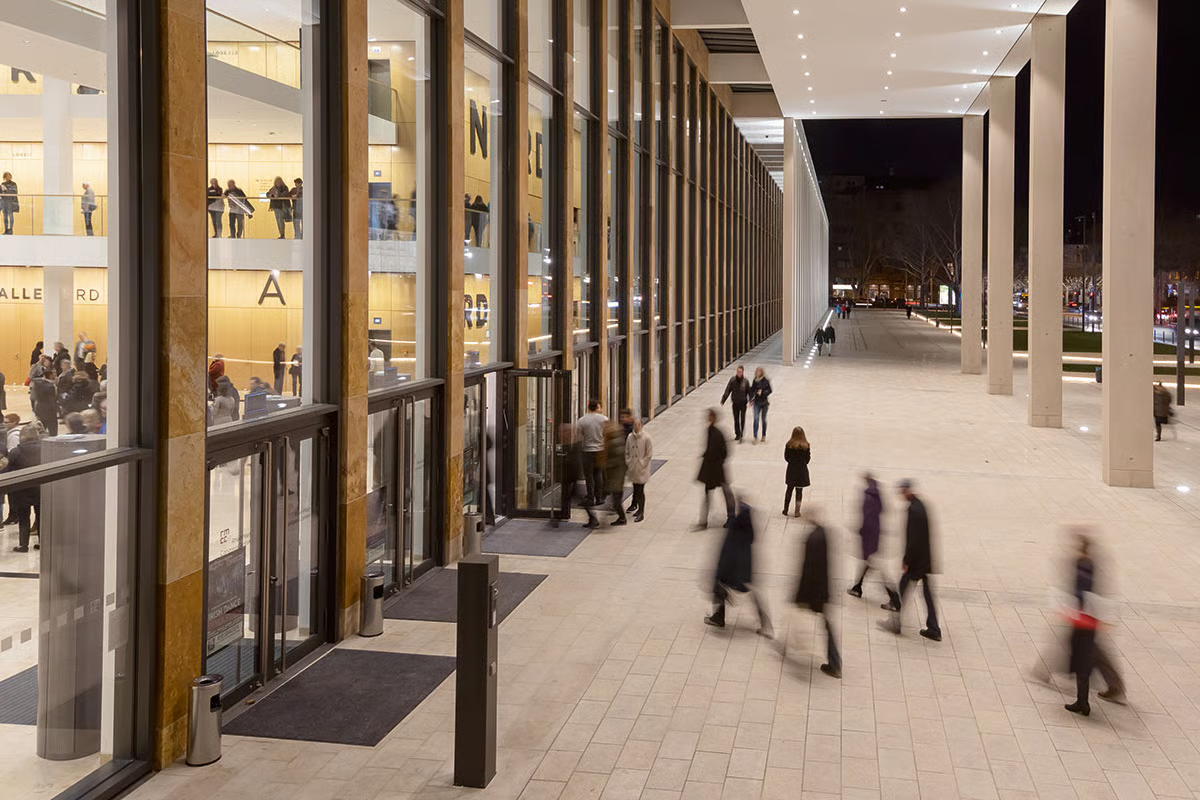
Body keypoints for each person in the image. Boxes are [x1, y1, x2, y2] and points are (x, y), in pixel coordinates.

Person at [881, 479, 942, 642]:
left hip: (916, 562)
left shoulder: (913, 509)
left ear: (907, 491)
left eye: (902, 492)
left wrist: (907, 560)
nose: (900, 495)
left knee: (901, 590)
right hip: (925, 560)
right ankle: (934, 628)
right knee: (928, 594)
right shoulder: (921, 505)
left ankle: (896, 624)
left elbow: (913, 539)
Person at [705, 496, 772, 637]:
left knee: (719, 587)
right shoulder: (747, 530)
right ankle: (765, 623)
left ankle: (718, 618)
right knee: (751, 593)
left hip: (731, 570)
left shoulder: (735, 530)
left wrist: (720, 570)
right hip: (744, 570)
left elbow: (727, 552)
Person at [794, 517, 841, 678]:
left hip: (815, 593)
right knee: (827, 625)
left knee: (820, 624)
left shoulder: (813, 540)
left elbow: (809, 570)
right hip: (823, 590)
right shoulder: (823, 534)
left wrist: (800, 595)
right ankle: (835, 663)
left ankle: (835, 664)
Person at [1, 425, 42, 552]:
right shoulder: (44, 449)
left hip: (20, 490)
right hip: (40, 488)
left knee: (24, 518)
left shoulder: (15, 452)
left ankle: (23, 545)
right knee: (40, 517)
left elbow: (8, 470)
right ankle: (42, 542)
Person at [554, 423, 598, 529]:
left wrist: (569, 476)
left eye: (562, 432)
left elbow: (575, 463)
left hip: (570, 477)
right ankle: (558, 516)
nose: (560, 434)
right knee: (567, 498)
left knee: (573, 497)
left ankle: (593, 518)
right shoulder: (569, 444)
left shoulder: (575, 446)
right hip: (569, 477)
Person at [696, 409, 735, 529]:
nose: (707, 418)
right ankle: (704, 521)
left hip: (717, 468)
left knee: (726, 492)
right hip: (710, 468)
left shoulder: (718, 433)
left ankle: (731, 517)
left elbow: (725, 451)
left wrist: (718, 461)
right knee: (708, 494)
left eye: (710, 416)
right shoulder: (709, 430)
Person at [847, 473, 883, 599]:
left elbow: (867, 517)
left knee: (872, 564)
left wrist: (861, 530)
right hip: (876, 533)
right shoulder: (879, 494)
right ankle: (857, 587)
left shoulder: (868, 497)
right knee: (869, 562)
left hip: (869, 535)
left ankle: (893, 595)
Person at [577, 400, 608, 507]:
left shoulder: (582, 420)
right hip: (600, 450)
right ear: (597, 407)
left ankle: (590, 498)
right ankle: (599, 497)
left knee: (588, 476)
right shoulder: (604, 419)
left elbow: (578, 435)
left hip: (587, 451)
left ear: (588, 407)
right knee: (598, 474)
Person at [625, 418, 653, 523]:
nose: (636, 426)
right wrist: (629, 462)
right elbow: (627, 451)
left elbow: (649, 454)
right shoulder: (629, 437)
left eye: (638, 425)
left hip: (642, 470)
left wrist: (642, 464)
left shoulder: (647, 438)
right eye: (634, 425)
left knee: (640, 490)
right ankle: (635, 506)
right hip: (633, 468)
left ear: (641, 425)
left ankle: (641, 511)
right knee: (636, 488)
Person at [603, 421, 628, 526]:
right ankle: (620, 516)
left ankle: (622, 518)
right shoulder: (617, 440)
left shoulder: (614, 442)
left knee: (616, 498)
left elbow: (616, 460)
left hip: (616, 475)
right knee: (616, 497)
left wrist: (607, 464)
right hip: (617, 475)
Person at [783, 426, 812, 517]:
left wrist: (792, 462)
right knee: (799, 492)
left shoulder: (789, 445)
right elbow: (807, 459)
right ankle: (797, 511)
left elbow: (786, 457)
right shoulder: (806, 446)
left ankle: (785, 509)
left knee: (789, 490)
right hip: (801, 471)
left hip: (791, 470)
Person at [721, 366, 750, 442]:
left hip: (743, 403)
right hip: (735, 403)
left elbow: (749, 392)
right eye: (738, 372)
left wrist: (751, 400)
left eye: (740, 372)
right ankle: (737, 434)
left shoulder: (745, 381)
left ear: (743, 372)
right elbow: (728, 390)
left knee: (742, 419)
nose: (739, 373)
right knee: (736, 419)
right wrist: (723, 399)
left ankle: (741, 434)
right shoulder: (733, 380)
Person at [29, 371, 58, 435]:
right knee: (53, 431)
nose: (56, 374)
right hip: (50, 411)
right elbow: (52, 400)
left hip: (40, 409)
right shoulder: (50, 387)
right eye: (54, 373)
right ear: (50, 375)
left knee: (41, 430)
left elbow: (33, 398)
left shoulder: (37, 384)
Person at [750, 367, 772, 443]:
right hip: (756, 402)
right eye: (756, 372)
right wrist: (751, 399)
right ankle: (755, 437)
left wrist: (762, 393)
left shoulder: (765, 381)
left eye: (758, 372)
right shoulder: (755, 381)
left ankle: (763, 435)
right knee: (756, 419)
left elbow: (770, 390)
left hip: (764, 403)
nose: (757, 373)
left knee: (763, 419)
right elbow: (752, 390)